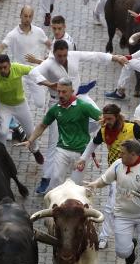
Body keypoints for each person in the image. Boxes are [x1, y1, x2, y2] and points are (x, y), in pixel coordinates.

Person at [30, 39, 127, 194]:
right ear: (53, 53)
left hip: (78, 98)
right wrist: (49, 84)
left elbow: (94, 56)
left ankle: (77, 130)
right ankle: (47, 178)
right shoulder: (48, 63)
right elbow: (33, 72)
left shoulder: (74, 55)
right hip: (58, 102)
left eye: (64, 55)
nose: (62, 58)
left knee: (98, 117)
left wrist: (115, 58)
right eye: (59, 56)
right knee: (54, 142)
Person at [77, 103, 140, 250]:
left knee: (119, 203)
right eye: (105, 118)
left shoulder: (131, 127)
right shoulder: (103, 130)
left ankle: (134, 225)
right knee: (110, 205)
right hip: (115, 171)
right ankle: (104, 236)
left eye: (110, 118)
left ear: (117, 117)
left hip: (135, 170)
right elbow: (93, 144)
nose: (106, 121)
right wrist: (83, 159)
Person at [24, 77, 101, 190]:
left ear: (72, 91)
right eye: (58, 91)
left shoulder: (84, 106)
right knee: (55, 180)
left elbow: (103, 118)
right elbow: (42, 125)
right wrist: (30, 140)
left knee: (74, 187)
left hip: (81, 153)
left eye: (64, 92)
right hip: (62, 150)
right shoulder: (55, 109)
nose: (60, 95)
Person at [0, 54, 43, 161]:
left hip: (20, 105)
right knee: (2, 132)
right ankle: (2, 155)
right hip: (4, 106)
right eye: (0, 68)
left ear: (10, 65)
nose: (2, 70)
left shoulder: (17, 68)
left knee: (30, 132)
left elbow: (31, 70)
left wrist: (41, 79)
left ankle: (35, 150)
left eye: (5, 67)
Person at [0, 5, 49, 112]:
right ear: (20, 16)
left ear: (32, 17)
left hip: (35, 71)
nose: (27, 19)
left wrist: (49, 57)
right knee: (17, 100)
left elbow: (50, 44)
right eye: (25, 16)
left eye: (30, 16)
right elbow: (1, 47)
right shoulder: (13, 34)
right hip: (19, 73)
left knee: (40, 103)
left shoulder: (38, 31)